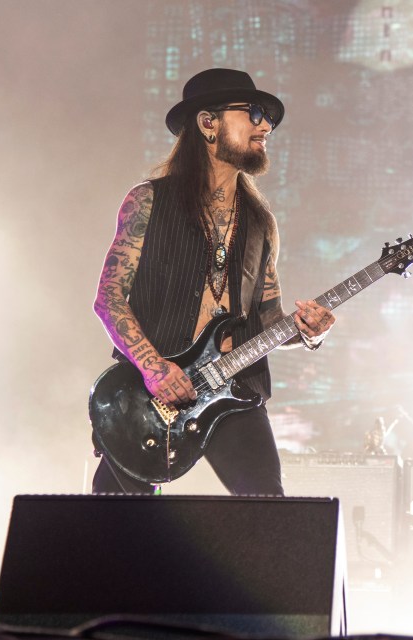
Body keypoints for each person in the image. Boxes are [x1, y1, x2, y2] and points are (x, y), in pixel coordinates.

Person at [91, 68, 335, 495]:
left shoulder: (261, 224)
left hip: (234, 393)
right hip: (146, 398)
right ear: (208, 123)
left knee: (270, 515)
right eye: (254, 114)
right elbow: (109, 297)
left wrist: (308, 332)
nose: (266, 126)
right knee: (115, 531)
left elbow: (268, 319)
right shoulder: (148, 201)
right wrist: (153, 368)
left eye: (269, 119)